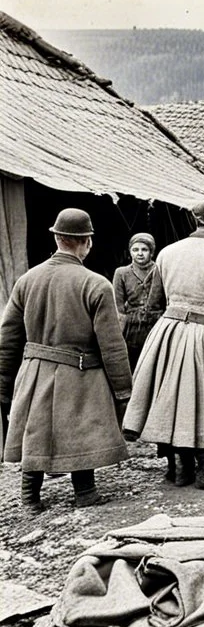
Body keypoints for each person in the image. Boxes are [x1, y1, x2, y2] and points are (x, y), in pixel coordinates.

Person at [123, 195, 204, 492]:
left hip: (168, 331)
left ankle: (183, 468)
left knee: (177, 400)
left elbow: (155, 301)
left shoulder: (168, 252)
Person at [0, 209, 131, 510]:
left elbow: (8, 340)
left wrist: (5, 386)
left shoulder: (26, 280)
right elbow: (112, 346)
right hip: (80, 374)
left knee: (36, 429)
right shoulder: (97, 284)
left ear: (58, 238)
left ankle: (29, 498)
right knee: (80, 428)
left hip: (35, 371)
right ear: (87, 242)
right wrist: (123, 391)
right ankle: (85, 493)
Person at [112, 232, 165, 368]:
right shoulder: (122, 273)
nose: (140, 253)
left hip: (157, 325)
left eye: (144, 250)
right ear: (130, 252)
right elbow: (118, 306)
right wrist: (119, 333)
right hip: (132, 329)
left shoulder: (160, 270)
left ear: (152, 252)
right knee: (133, 364)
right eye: (135, 250)